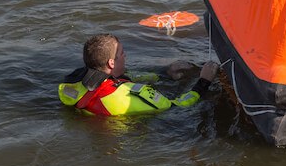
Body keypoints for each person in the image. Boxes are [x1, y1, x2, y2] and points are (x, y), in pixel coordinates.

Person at [58, 33, 219, 116]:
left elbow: (118, 80)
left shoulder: (71, 85)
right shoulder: (135, 95)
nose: (125, 56)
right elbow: (176, 106)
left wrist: (163, 73)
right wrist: (204, 81)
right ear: (111, 63)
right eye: (122, 53)